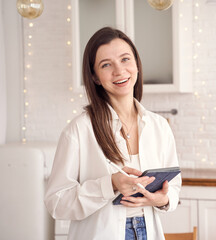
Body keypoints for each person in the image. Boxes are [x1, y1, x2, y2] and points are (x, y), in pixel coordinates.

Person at [44, 27, 181, 240]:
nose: (119, 71)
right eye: (106, 65)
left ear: (136, 64)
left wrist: (162, 200)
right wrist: (110, 185)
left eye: (125, 59)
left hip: (148, 231)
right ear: (95, 77)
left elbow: (173, 188)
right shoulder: (79, 130)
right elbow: (57, 203)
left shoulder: (159, 126)